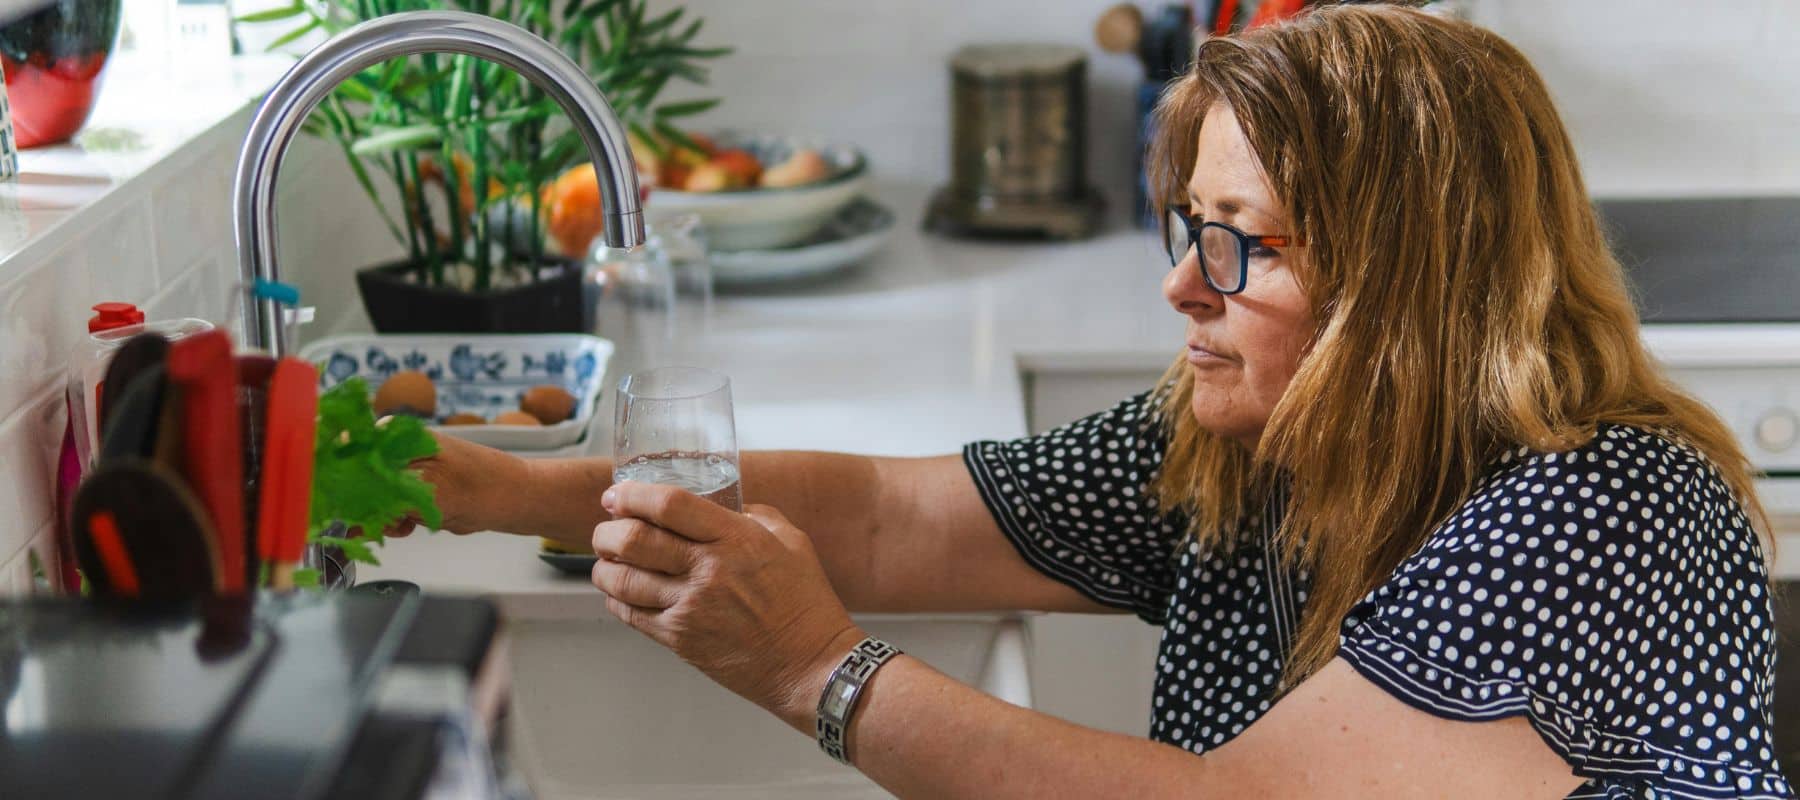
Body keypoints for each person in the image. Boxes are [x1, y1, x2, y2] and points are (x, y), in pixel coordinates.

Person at [404, 5, 1791, 797]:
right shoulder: (1251, 437)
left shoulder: (1603, 508)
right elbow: (894, 516)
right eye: (1186, 228)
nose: (1185, 285)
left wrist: (812, 669)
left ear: (1403, 279)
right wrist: (496, 489)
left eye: (1242, 240)